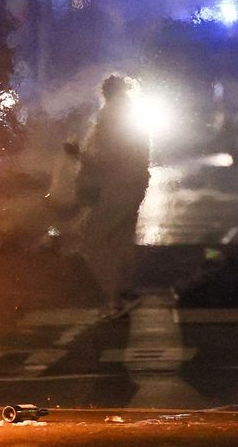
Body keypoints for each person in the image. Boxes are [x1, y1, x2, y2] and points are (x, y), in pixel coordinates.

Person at [75, 74, 152, 319]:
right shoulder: (133, 116)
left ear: (105, 93)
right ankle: (124, 294)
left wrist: (78, 155)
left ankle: (114, 297)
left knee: (92, 240)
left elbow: (107, 158)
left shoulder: (110, 117)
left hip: (116, 186)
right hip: (134, 184)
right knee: (121, 240)